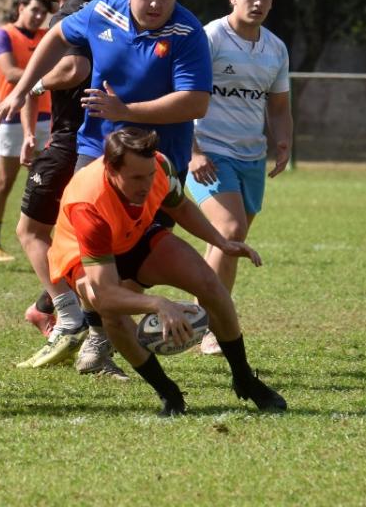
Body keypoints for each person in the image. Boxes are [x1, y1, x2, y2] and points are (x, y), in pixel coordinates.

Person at [0, 0, 212, 376]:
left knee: (134, 265)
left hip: (156, 164)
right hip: (95, 151)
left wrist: (124, 108)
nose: (155, 3)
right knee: (85, 249)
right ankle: (89, 331)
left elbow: (196, 102)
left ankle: (100, 332)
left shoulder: (186, 31)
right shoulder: (102, 13)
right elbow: (58, 38)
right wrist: (23, 88)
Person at [48, 127, 286, 415]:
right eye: (136, 177)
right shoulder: (88, 205)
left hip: (135, 235)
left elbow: (181, 208)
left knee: (209, 284)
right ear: (110, 169)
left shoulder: (159, 164)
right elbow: (106, 294)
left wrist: (222, 243)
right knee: (112, 316)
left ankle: (245, 379)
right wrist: (158, 303)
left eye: (148, 175)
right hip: (84, 254)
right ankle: (169, 393)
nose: (146, 184)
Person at [186, 0, 293, 355]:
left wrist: (283, 141)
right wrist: (193, 152)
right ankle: (211, 325)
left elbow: (279, 105)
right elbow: (183, 92)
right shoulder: (210, 38)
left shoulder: (275, 48)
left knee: (228, 240)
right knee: (230, 231)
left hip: (251, 157)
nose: (258, 3)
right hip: (209, 152)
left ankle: (200, 314)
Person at [13, 0, 98, 368]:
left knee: (29, 232)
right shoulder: (106, 7)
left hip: (71, 139)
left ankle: (66, 314)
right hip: (102, 139)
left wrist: (35, 85)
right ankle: (62, 316)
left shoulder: (71, 15)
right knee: (79, 240)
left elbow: (76, 68)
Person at [0, 0, 52, 263]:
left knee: (48, 181)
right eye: (33, 9)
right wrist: (48, 77)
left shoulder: (47, 36)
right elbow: (9, 72)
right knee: (5, 180)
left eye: (42, 13)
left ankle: (49, 239)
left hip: (47, 116)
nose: (37, 16)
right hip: (12, 115)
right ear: (20, 7)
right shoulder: (4, 34)